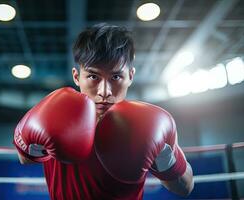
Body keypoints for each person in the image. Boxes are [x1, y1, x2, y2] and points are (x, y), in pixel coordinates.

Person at [13, 23, 194, 200]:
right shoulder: (55, 111)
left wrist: (165, 156)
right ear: (77, 77)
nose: (104, 91)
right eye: (93, 76)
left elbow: (185, 187)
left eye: (116, 77)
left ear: (130, 76)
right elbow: (25, 158)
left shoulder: (147, 123)